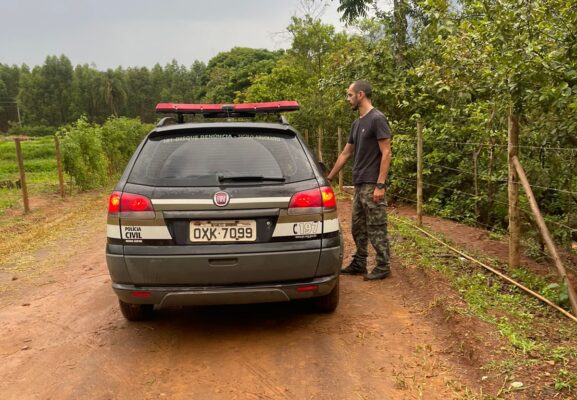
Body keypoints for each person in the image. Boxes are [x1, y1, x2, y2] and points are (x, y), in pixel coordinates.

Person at [326, 80, 393, 280]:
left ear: (360, 94)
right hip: (359, 183)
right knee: (357, 226)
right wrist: (328, 177)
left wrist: (380, 185)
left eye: (349, 95)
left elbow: (386, 152)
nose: (348, 99)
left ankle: (383, 265)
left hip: (373, 183)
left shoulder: (377, 119)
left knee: (376, 226)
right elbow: (346, 153)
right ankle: (359, 262)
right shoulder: (357, 123)